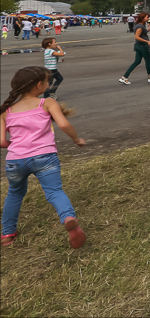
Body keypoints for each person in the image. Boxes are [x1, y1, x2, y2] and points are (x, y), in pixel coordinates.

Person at [1, 67, 87, 249]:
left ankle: (7, 234)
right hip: (44, 157)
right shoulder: (47, 103)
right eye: (48, 81)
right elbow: (63, 124)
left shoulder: (6, 111)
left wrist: (17, 146)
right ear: (39, 85)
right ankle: (68, 218)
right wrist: (76, 139)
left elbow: (1, 141)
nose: (49, 84)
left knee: (14, 194)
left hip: (15, 161)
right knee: (54, 191)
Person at [119, 13, 150, 85]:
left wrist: (147, 30)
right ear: (142, 18)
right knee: (148, 61)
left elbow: (141, 33)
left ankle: (125, 76)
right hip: (142, 45)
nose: (148, 18)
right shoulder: (140, 26)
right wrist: (147, 41)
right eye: (147, 17)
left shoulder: (138, 25)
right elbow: (137, 37)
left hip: (138, 45)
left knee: (137, 61)